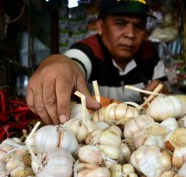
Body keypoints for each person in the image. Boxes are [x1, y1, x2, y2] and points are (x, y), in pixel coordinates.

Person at [26, 0, 169, 125]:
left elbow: (164, 92)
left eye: (139, 26)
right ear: (100, 26)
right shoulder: (87, 51)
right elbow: (70, 64)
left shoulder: (150, 54)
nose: (130, 34)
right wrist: (57, 62)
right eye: (120, 23)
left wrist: (160, 94)